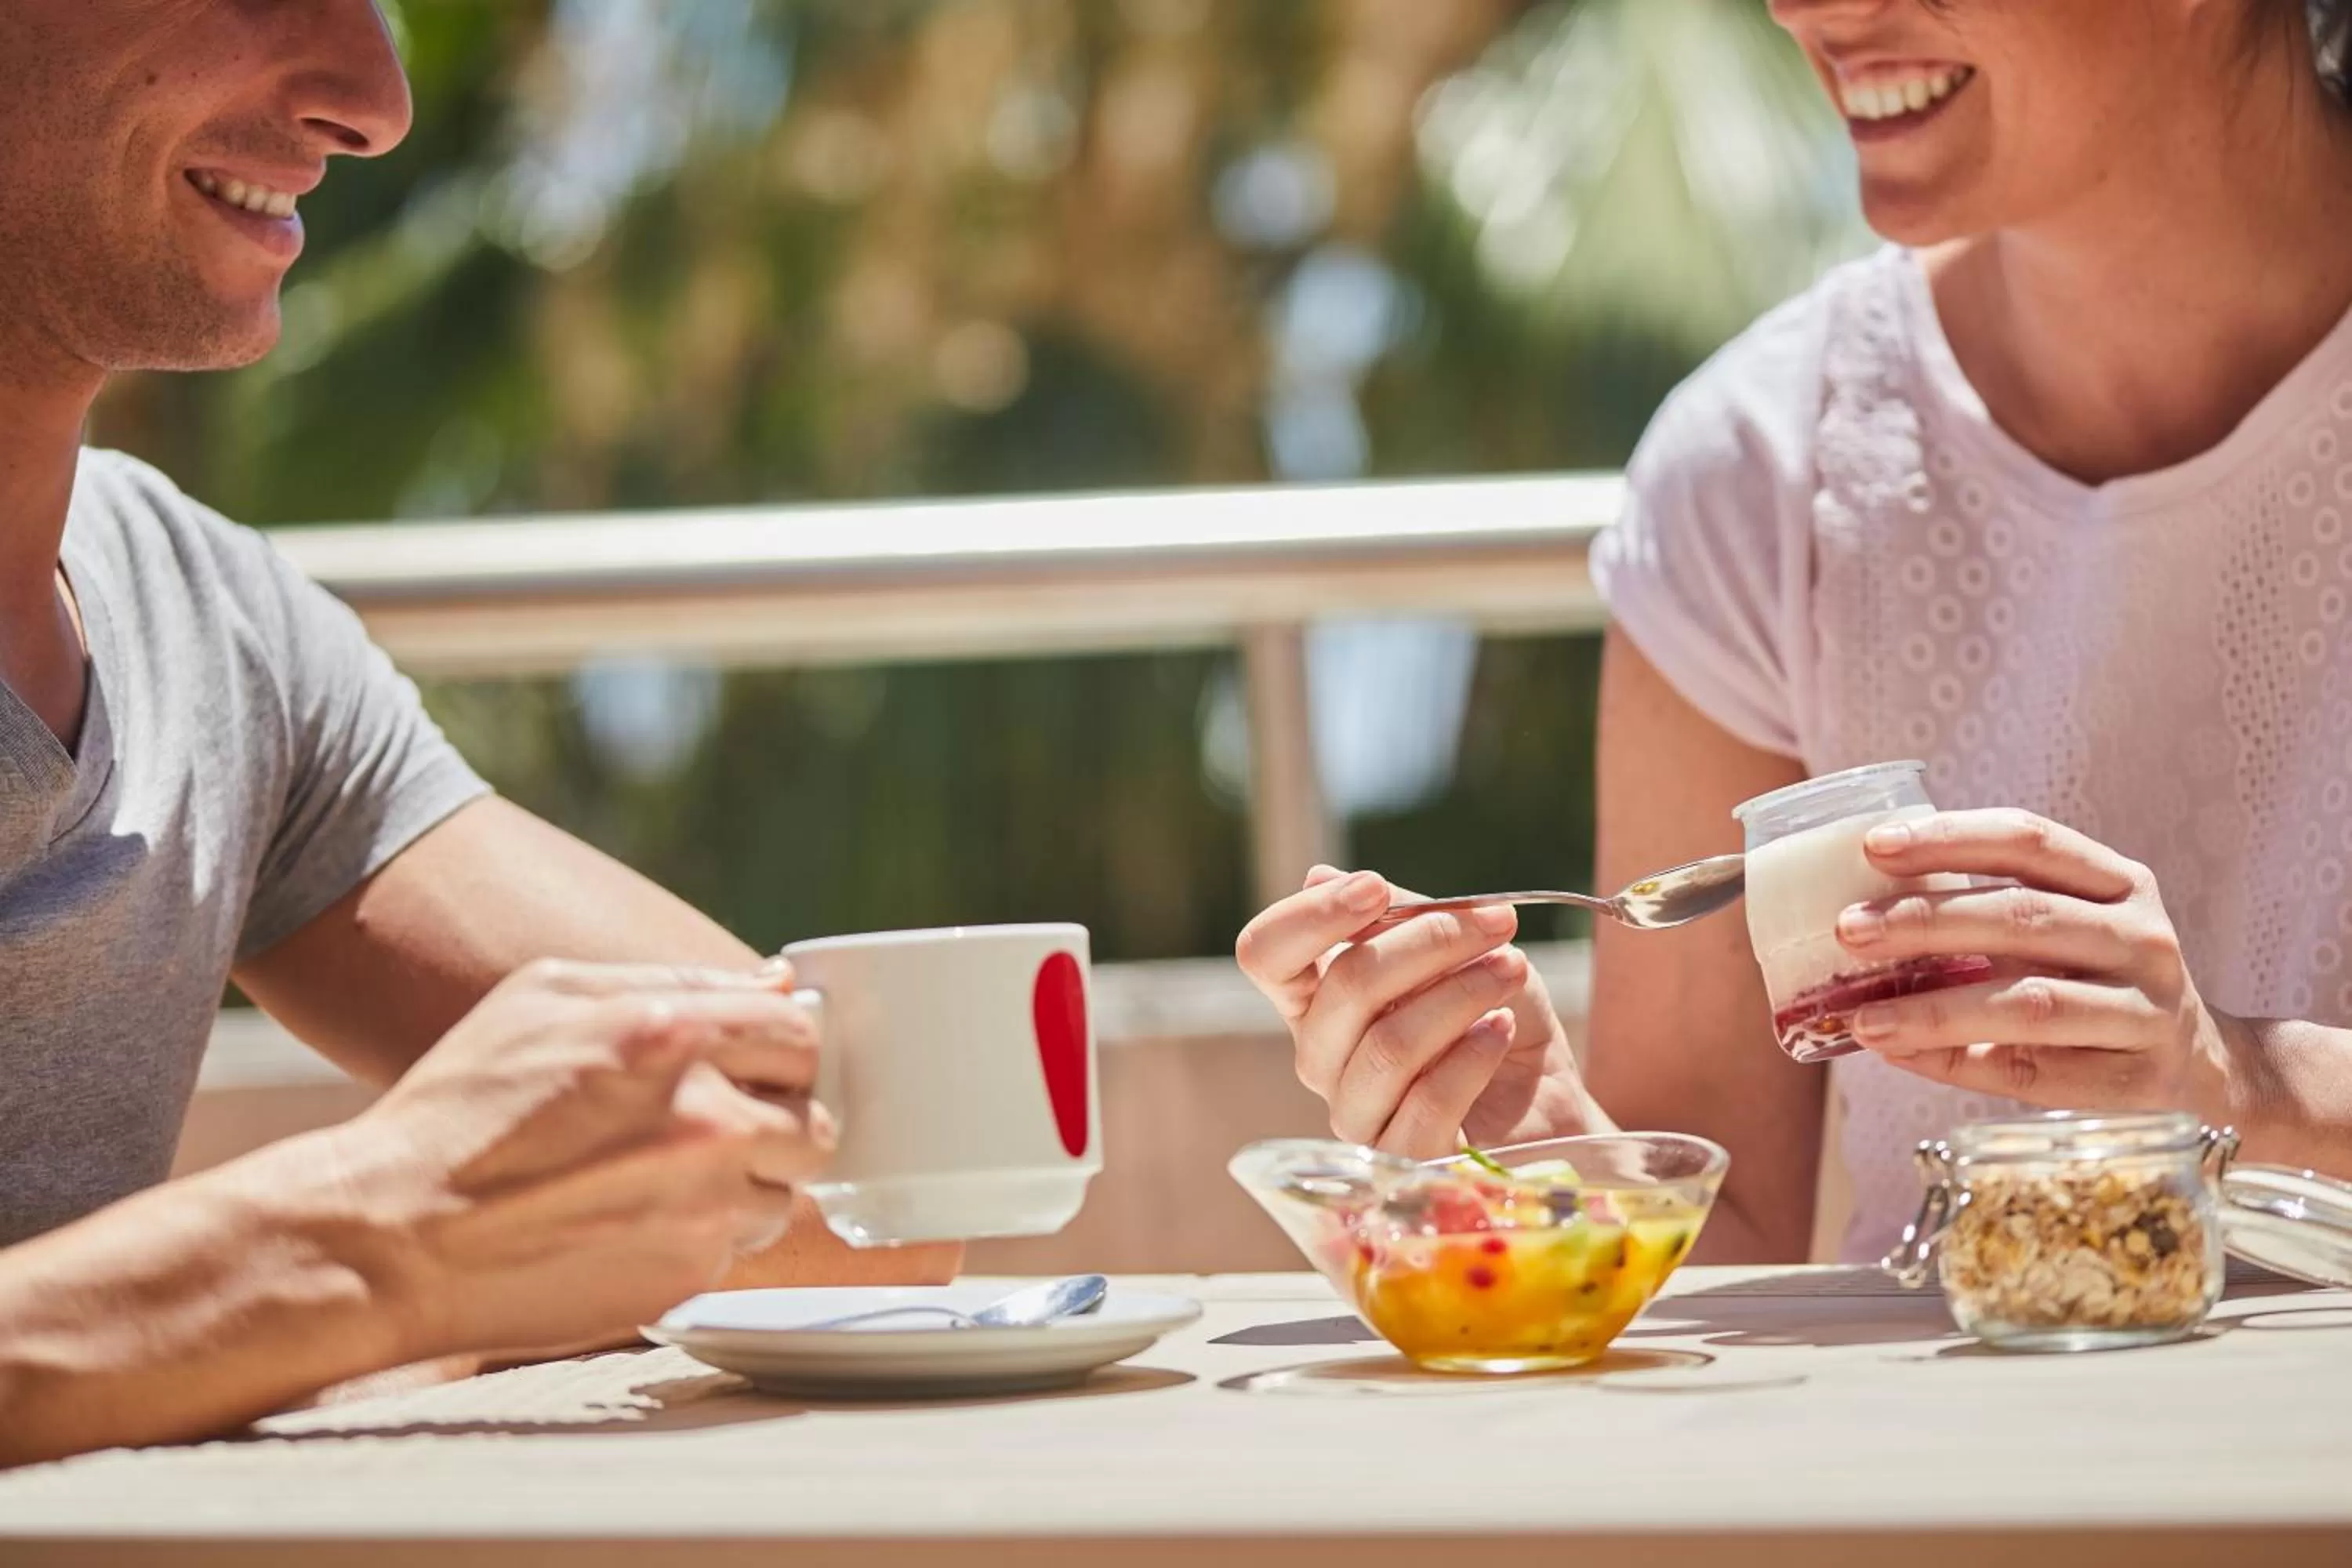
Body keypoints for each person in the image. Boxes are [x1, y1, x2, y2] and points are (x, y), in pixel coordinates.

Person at [1240, 0, 2352, 1265]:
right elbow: (1733, 1269)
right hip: (1951, 1463)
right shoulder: (1763, 472)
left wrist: (2249, 1088)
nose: (1811, 8)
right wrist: (1545, 1144)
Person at [0, 2, 950, 1467]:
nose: (373, 101)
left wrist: (349, 1299)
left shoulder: (216, 628)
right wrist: (368, 1254)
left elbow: (851, 1193)